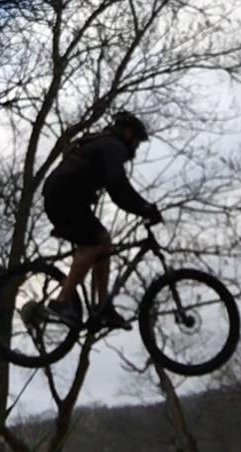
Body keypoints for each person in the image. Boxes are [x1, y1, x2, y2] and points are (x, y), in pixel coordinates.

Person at [42, 110, 163, 329]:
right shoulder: (112, 146)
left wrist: (142, 208)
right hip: (63, 198)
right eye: (136, 140)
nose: (136, 147)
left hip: (66, 198)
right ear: (127, 133)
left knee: (103, 241)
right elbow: (118, 188)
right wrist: (145, 208)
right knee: (92, 244)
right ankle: (62, 302)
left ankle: (103, 306)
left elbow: (117, 189)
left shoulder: (105, 145)